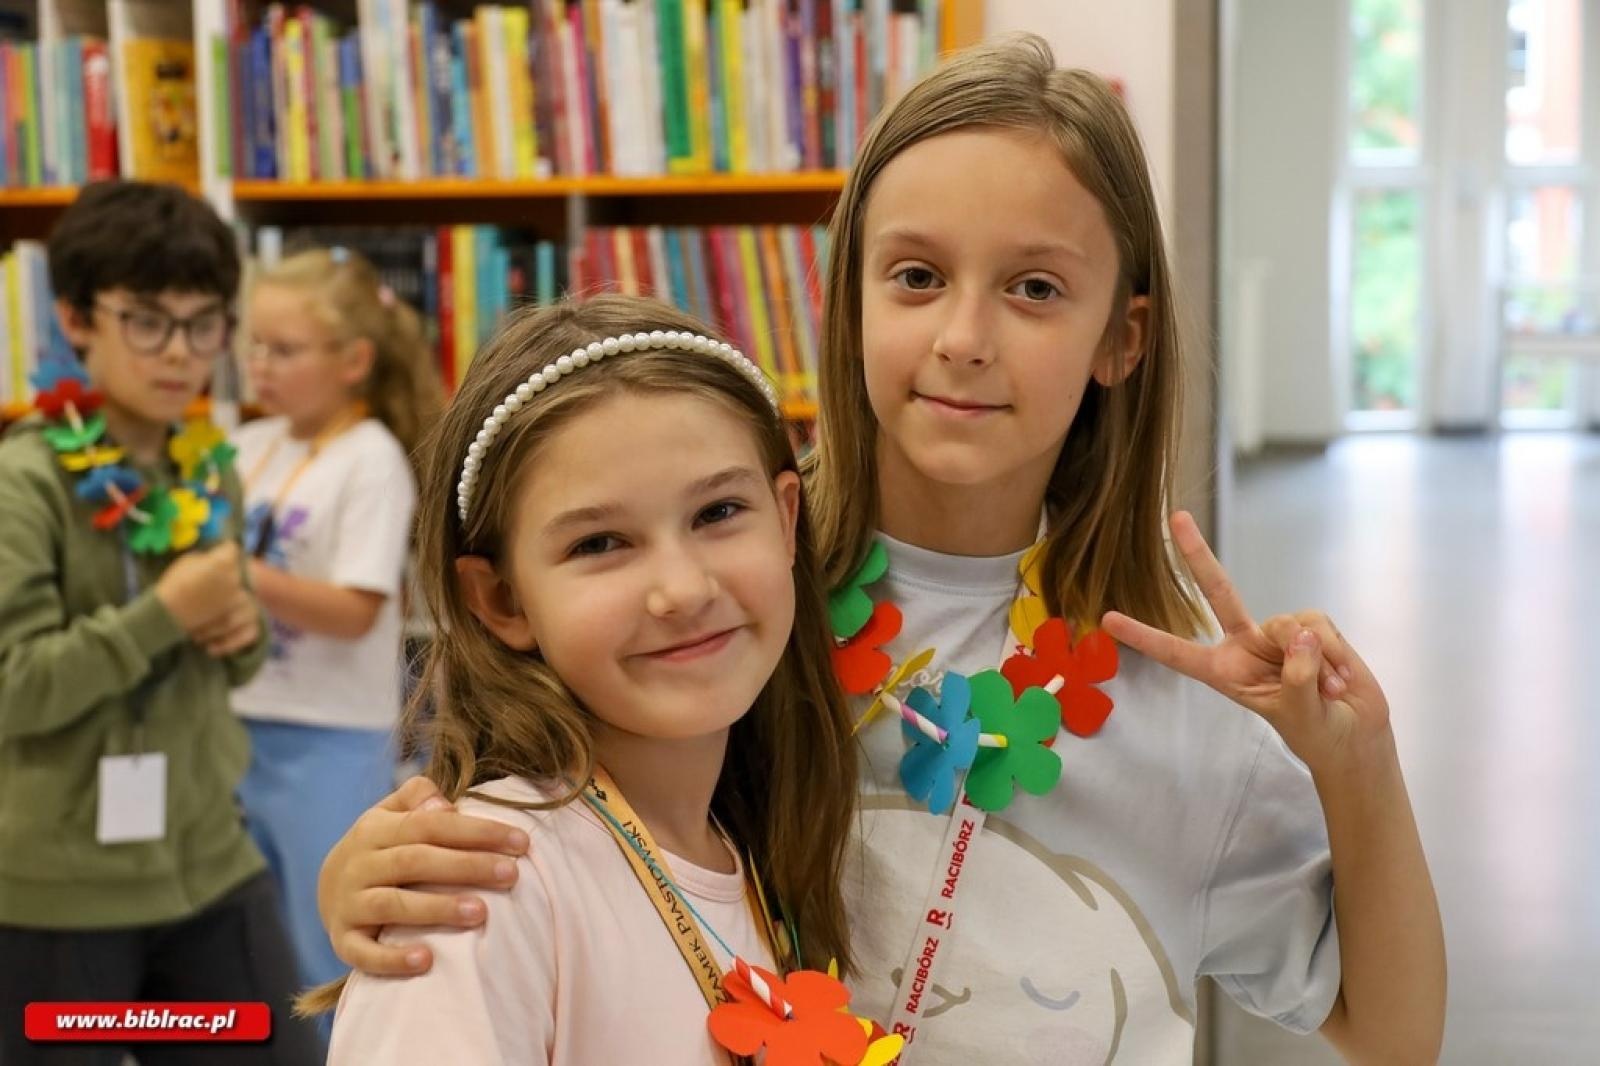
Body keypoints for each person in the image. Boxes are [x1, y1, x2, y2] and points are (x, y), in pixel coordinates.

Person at [314, 36, 1447, 1064]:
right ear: (846, 294)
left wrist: (1359, 767)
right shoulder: (728, 606)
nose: (962, 339)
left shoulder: (1179, 686)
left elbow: (1391, 1034)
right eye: (914, 276)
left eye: (1035, 288)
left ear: (1121, 336)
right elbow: (536, 838)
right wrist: (358, 876)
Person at [319, 296, 866, 1064]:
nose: (681, 589)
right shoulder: (483, 885)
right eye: (601, 542)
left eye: (718, 511)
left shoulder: (748, 853)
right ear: (503, 600)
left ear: (785, 520)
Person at [0, 180, 320, 1064]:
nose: (178, 352)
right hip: (59, 897)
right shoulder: (25, 482)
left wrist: (237, 631)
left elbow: (239, 657)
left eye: (203, 321)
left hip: (209, 865)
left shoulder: (207, 470)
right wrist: (162, 616)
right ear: (76, 319)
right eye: (145, 319)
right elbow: (11, 687)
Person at [230, 247, 440, 1001]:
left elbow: (357, 610)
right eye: (253, 344)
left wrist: (235, 576)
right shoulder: (249, 444)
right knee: (250, 948)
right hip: (237, 725)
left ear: (354, 358)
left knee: (325, 951)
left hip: (328, 736)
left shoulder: (371, 459)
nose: (260, 365)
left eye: (283, 349)